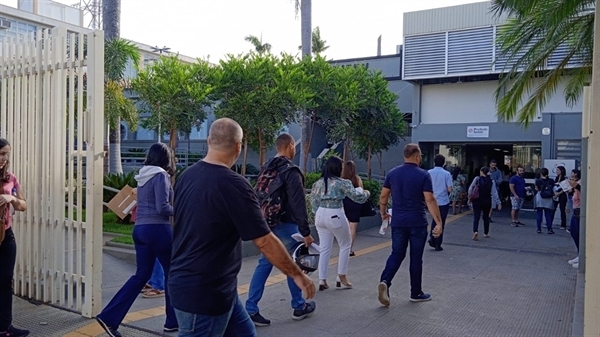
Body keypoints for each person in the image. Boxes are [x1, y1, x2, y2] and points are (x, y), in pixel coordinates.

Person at [169, 118, 315, 337]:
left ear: (209, 141)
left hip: (208, 288)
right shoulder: (234, 184)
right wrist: (298, 275)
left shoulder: (186, 176)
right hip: (205, 294)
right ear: (239, 146)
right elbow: (264, 241)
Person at [96, 142, 178, 337]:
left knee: (141, 275)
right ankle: (172, 321)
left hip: (140, 229)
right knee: (172, 274)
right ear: (166, 158)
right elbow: (162, 208)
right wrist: (184, 210)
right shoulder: (160, 175)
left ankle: (109, 318)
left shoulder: (143, 175)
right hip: (158, 229)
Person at [245, 133, 316, 327]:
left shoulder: (267, 166)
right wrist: (306, 232)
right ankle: (299, 306)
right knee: (292, 263)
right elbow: (298, 203)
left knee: (264, 264)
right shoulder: (290, 171)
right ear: (291, 145)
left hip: (267, 224)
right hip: (286, 225)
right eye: (294, 147)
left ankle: (250, 308)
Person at [377, 144, 443, 307]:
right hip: (417, 222)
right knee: (415, 257)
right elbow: (429, 199)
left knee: (397, 253)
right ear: (417, 156)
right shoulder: (423, 175)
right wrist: (439, 222)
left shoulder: (392, 173)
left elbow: (384, 196)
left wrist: (383, 212)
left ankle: (385, 281)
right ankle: (416, 293)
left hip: (398, 221)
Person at [310, 156, 370, 291]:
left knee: (325, 248)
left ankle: (322, 279)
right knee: (345, 244)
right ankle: (341, 276)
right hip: (335, 213)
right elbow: (358, 198)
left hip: (320, 214)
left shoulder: (318, 183)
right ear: (337, 168)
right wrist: (365, 192)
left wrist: (318, 212)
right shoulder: (342, 183)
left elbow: (313, 203)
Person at [0, 139, 29, 337]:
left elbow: (23, 204)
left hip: (5, 234)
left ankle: (5, 327)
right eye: (1, 153)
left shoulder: (11, 178)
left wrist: (11, 198)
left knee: (5, 280)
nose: (5, 158)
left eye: (7, 154)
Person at [469, 167, 502, 240]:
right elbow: (494, 193)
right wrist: (498, 202)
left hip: (477, 200)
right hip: (487, 201)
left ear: (481, 172)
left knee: (476, 217)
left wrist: (469, 197)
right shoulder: (491, 181)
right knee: (486, 217)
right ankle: (486, 233)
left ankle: (475, 231)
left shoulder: (477, 179)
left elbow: (470, 189)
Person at [427, 154, 452, 251]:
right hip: (443, 201)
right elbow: (450, 189)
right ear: (444, 163)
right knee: (441, 222)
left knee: (434, 220)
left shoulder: (428, 173)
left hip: (431, 201)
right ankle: (437, 243)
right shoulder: (446, 174)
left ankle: (432, 238)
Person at [341, 161, 364, 256]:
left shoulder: (341, 180)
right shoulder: (357, 179)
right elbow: (362, 191)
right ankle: (349, 249)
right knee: (353, 227)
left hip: (344, 203)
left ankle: (343, 247)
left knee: (345, 226)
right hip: (355, 204)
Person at [534, 168, 555, 235]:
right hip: (548, 198)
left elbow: (537, 189)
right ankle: (549, 229)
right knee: (548, 214)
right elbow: (553, 189)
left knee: (539, 213)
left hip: (540, 197)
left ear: (541, 173)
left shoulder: (538, 181)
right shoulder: (551, 180)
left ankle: (539, 229)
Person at [568, 169, 581, 268]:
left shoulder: (580, 183)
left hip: (580, 211)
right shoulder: (575, 184)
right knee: (574, 231)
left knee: (578, 233)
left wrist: (575, 186)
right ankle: (580, 254)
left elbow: (583, 191)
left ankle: (582, 256)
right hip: (575, 209)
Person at [553, 166, 569, 230]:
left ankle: (563, 224)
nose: (556, 172)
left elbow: (565, 189)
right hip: (556, 195)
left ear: (561, 171)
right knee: (553, 209)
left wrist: (559, 193)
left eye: (558, 170)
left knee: (562, 210)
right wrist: (555, 193)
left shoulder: (565, 179)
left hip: (562, 196)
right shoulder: (556, 178)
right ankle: (550, 222)